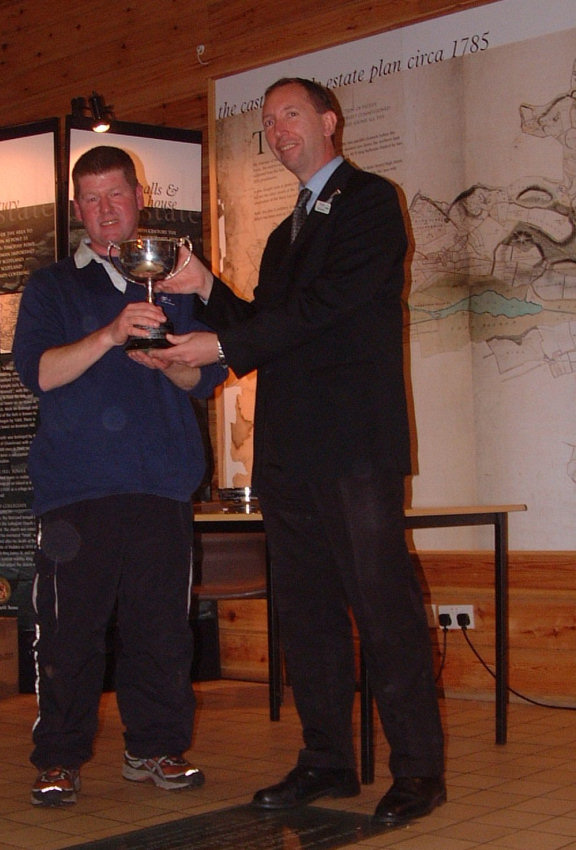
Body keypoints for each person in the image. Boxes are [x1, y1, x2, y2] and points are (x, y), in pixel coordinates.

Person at [154, 78, 446, 826]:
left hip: (353, 448)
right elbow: (269, 325)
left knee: (384, 611)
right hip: (288, 451)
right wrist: (207, 286)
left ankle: (418, 771)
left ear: (328, 120)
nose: (277, 130)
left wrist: (224, 338)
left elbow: (327, 310)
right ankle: (327, 761)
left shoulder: (373, 202)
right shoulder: (287, 235)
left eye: (289, 115)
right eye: (267, 122)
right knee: (307, 614)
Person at [12, 145, 227, 807]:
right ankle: (58, 759)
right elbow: (38, 373)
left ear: (140, 198)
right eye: (92, 200)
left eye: (117, 196)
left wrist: (173, 365)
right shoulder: (51, 286)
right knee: (70, 635)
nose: (107, 211)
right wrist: (108, 336)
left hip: (162, 484)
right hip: (76, 491)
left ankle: (156, 748)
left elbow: (209, 378)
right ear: (78, 211)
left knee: (161, 630)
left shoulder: (177, 279)